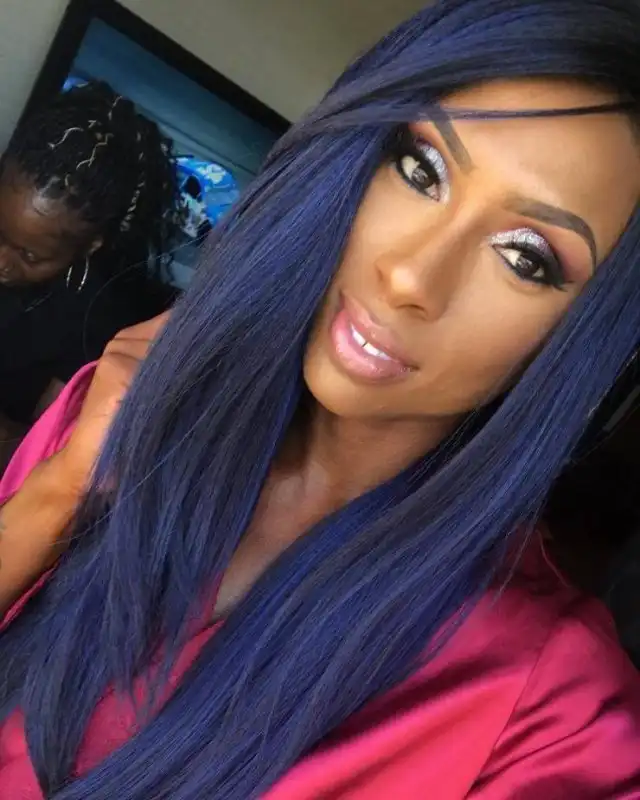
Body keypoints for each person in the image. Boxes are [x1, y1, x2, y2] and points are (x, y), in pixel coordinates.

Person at [0, 1, 639, 797]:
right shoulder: (120, 410)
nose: (410, 275)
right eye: (421, 168)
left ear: (580, 339)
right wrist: (58, 494)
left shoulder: (555, 714)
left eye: (527, 257)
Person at [0, 80, 182, 447]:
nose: (1, 260)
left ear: (89, 246)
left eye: (29, 256)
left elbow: (37, 452)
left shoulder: (93, 321)